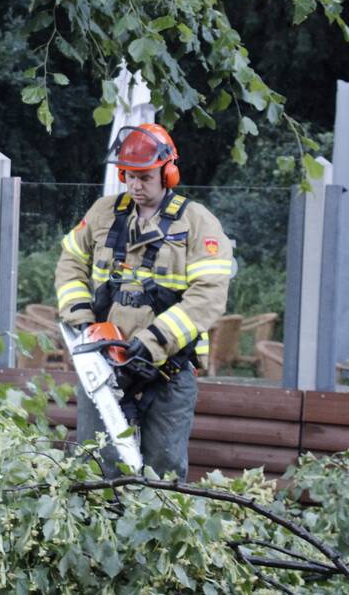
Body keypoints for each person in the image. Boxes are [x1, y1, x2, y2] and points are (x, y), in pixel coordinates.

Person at [54, 123, 233, 480]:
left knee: (163, 473)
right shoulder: (105, 213)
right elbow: (69, 261)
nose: (135, 185)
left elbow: (208, 297)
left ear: (168, 172)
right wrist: (84, 323)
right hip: (103, 362)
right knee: (94, 467)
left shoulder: (197, 223)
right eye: (128, 176)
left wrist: (151, 343)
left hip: (168, 368)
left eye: (144, 177)